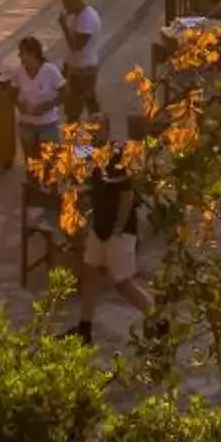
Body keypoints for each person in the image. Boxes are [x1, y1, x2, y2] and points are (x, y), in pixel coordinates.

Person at [74, 140, 154, 338]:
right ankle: (84, 330)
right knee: (89, 275)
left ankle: (159, 320)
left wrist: (118, 228)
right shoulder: (92, 153)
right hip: (99, 228)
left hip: (119, 231)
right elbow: (72, 152)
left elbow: (127, 196)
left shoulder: (116, 156)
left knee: (123, 284)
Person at [2, 35, 65, 151]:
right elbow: (12, 93)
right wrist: (20, 106)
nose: (21, 58)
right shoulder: (18, 72)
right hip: (27, 124)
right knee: (31, 161)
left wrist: (46, 106)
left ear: (34, 54)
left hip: (48, 123)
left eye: (23, 54)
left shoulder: (50, 71)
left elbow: (65, 93)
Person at [57, 0, 103, 119]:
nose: (65, 8)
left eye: (66, 4)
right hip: (79, 68)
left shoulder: (86, 19)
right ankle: (98, 133)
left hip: (83, 71)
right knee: (90, 102)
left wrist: (64, 26)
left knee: (73, 109)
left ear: (74, 2)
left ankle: (76, 136)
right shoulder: (81, 16)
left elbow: (76, 46)